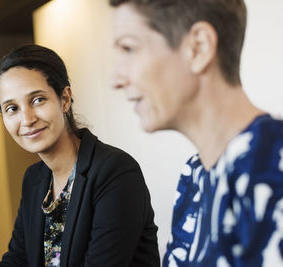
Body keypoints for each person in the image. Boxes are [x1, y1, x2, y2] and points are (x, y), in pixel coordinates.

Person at [109, 0, 283, 266]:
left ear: (198, 48)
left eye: (129, 48)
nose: (116, 80)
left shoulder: (274, 165)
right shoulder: (194, 175)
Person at [0, 44, 160, 266]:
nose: (27, 119)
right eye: (12, 108)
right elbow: (17, 259)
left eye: (38, 100)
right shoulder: (34, 179)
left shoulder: (115, 171)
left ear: (65, 99)